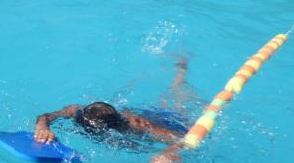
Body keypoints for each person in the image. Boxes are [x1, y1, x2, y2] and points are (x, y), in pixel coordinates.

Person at [33, 58, 193, 145]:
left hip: (166, 120)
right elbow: (46, 116)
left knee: (175, 102)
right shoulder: (77, 111)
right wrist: (42, 127)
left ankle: (181, 72)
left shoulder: (136, 124)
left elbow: (181, 139)